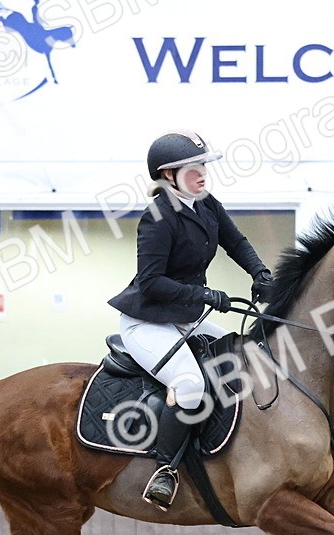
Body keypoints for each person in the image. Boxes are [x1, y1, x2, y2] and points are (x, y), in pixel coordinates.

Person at [107, 130, 274, 510]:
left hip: (186, 318)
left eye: (203, 165)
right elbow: (150, 282)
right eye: (192, 168)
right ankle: (163, 471)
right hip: (147, 323)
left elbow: (236, 242)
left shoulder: (206, 204)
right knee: (189, 384)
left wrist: (260, 274)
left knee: (246, 355)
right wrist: (203, 294)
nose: (202, 173)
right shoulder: (157, 218)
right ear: (168, 175)